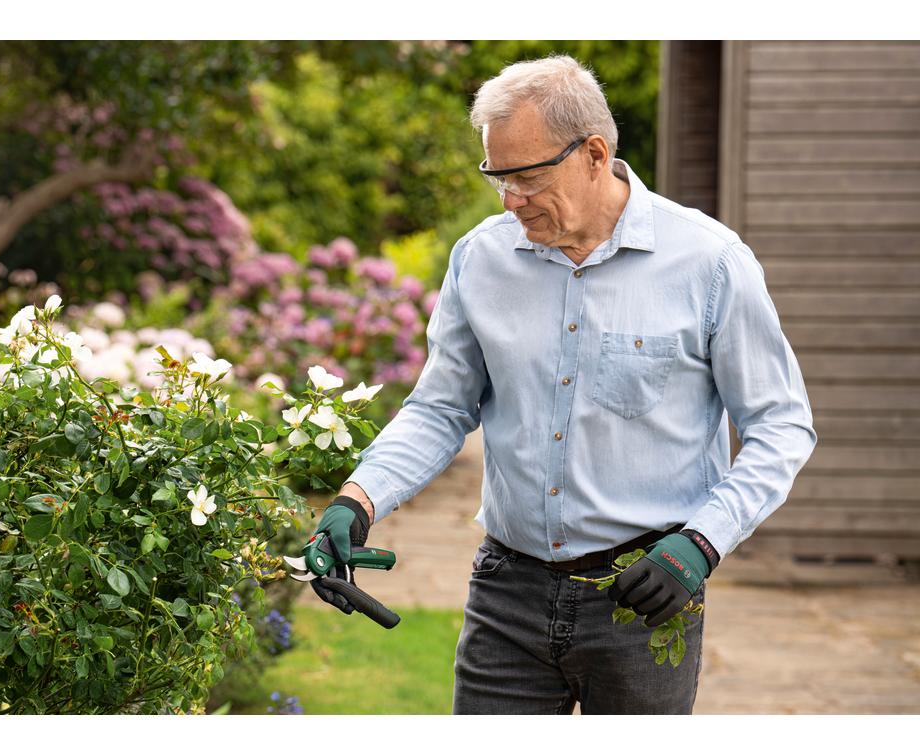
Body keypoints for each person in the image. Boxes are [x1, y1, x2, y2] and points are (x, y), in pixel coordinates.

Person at [307, 54, 817, 714]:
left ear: (594, 154)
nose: (509, 198)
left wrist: (702, 541)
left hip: (645, 592)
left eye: (525, 176)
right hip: (506, 591)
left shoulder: (710, 262)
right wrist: (357, 500)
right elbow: (440, 407)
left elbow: (782, 425)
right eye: (497, 177)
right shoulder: (481, 260)